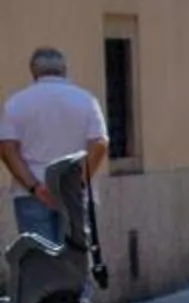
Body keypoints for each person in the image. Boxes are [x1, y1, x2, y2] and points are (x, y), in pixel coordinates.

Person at [0, 47, 109, 244]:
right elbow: (100, 143)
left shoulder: (16, 103)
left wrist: (34, 187)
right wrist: (80, 182)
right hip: (74, 192)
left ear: (33, 72)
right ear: (65, 70)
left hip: (30, 194)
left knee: (38, 262)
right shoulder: (86, 100)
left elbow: (7, 149)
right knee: (76, 261)